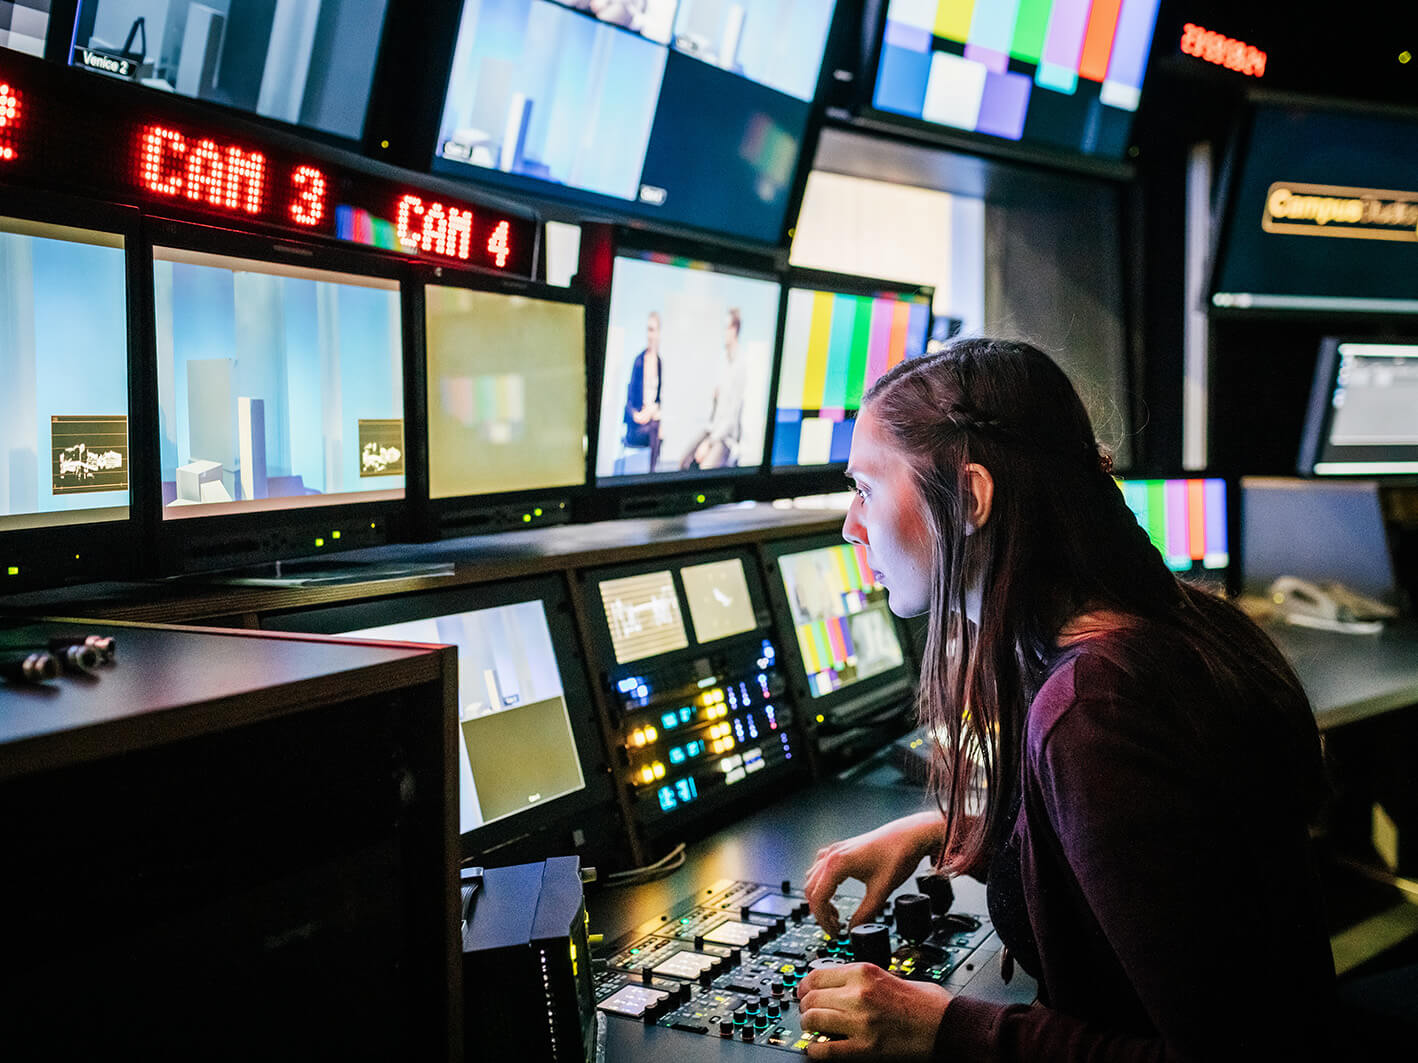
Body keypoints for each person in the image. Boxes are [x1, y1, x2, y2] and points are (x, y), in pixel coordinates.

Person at [795, 339, 1336, 1061]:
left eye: (865, 487)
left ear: (972, 498)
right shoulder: (1167, 625)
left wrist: (943, 1026)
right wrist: (946, 829)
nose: (850, 523)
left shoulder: (1092, 709)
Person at [680, 308, 747, 470]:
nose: (723, 332)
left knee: (706, 468)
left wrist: (709, 443)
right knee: (684, 462)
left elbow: (730, 419)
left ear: (734, 329)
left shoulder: (741, 365)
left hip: (726, 438)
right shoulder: (723, 361)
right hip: (712, 429)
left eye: (726, 327)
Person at [623, 311, 663, 471]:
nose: (650, 334)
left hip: (652, 422)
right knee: (656, 428)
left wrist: (654, 409)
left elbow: (659, 399)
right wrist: (637, 416)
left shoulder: (659, 362)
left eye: (653, 329)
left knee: (658, 425)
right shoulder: (639, 362)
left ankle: (652, 472)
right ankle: (650, 475)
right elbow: (629, 402)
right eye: (648, 329)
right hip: (637, 425)